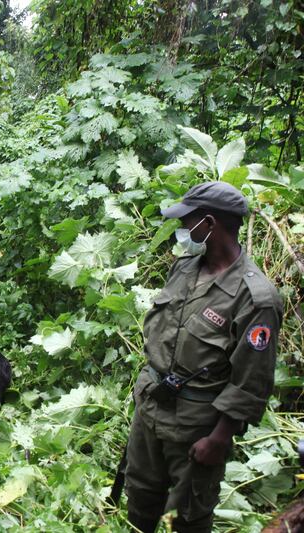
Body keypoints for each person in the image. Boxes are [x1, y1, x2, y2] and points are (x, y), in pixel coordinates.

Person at [124, 181, 284, 532]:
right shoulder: (184, 268)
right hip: (151, 411)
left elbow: (251, 379)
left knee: (188, 518)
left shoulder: (255, 297)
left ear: (209, 224)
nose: (183, 229)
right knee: (139, 500)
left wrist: (220, 438)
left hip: (196, 428)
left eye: (188, 221)